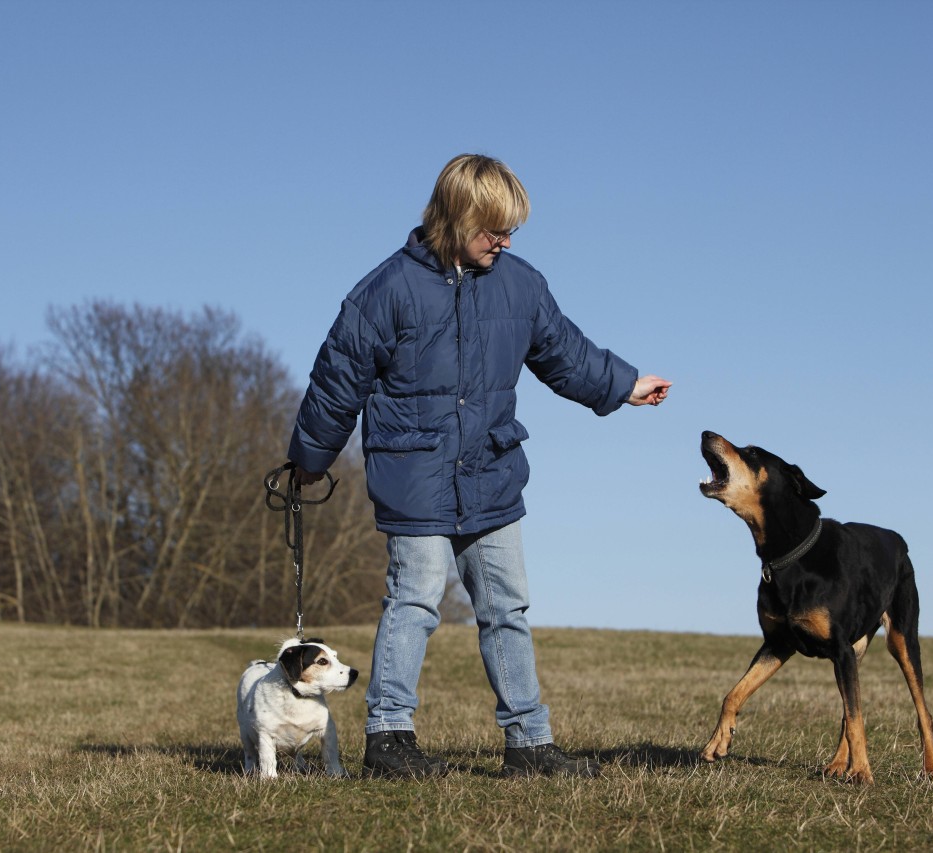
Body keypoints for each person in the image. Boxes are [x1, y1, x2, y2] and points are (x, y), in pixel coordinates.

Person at [287, 154, 671, 779]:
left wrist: (623, 384)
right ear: (456, 217)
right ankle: (389, 738)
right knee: (414, 601)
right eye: (494, 229)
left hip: (491, 470)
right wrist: (310, 455)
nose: (505, 241)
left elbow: (564, 353)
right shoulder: (385, 290)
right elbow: (338, 379)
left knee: (508, 607)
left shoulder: (520, 284)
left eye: (512, 229)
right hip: (415, 475)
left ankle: (530, 744)